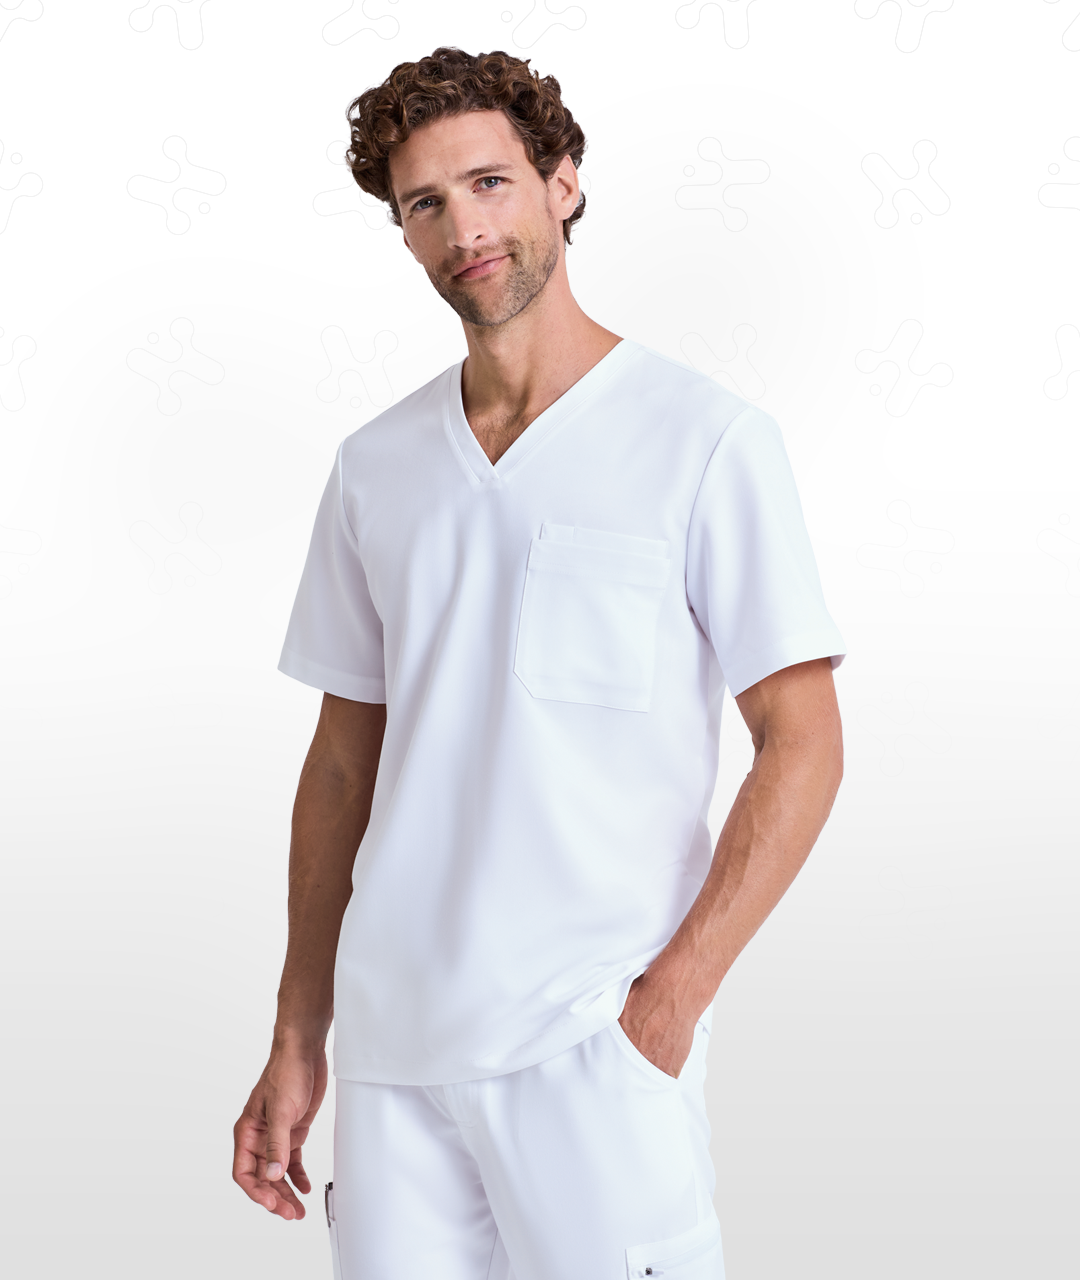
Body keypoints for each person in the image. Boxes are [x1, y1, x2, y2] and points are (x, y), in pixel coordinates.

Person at [232, 45, 846, 1280]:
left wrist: (667, 1005)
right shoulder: (375, 468)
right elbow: (343, 765)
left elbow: (805, 741)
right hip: (396, 1061)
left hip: (589, 1049)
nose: (464, 228)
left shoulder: (704, 440)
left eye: (490, 182)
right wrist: (301, 1031)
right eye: (425, 202)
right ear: (402, 231)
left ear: (562, 181)